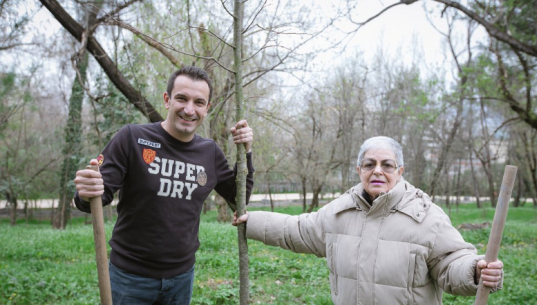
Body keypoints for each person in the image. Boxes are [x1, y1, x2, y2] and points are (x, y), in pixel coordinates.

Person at [233, 136, 503, 305]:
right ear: (359, 170)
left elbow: (451, 262)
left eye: (387, 164)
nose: (378, 171)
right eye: (369, 164)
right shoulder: (340, 211)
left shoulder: (427, 216)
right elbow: (298, 230)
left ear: (399, 171)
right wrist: (251, 220)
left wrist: (475, 270)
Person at [74, 66, 255, 305]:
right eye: (182, 98)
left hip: (182, 278)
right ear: (167, 100)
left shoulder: (209, 152)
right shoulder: (131, 138)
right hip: (130, 278)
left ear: (207, 108)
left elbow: (238, 198)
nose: (189, 109)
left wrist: (247, 152)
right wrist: (85, 192)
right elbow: (95, 199)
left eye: (199, 102)